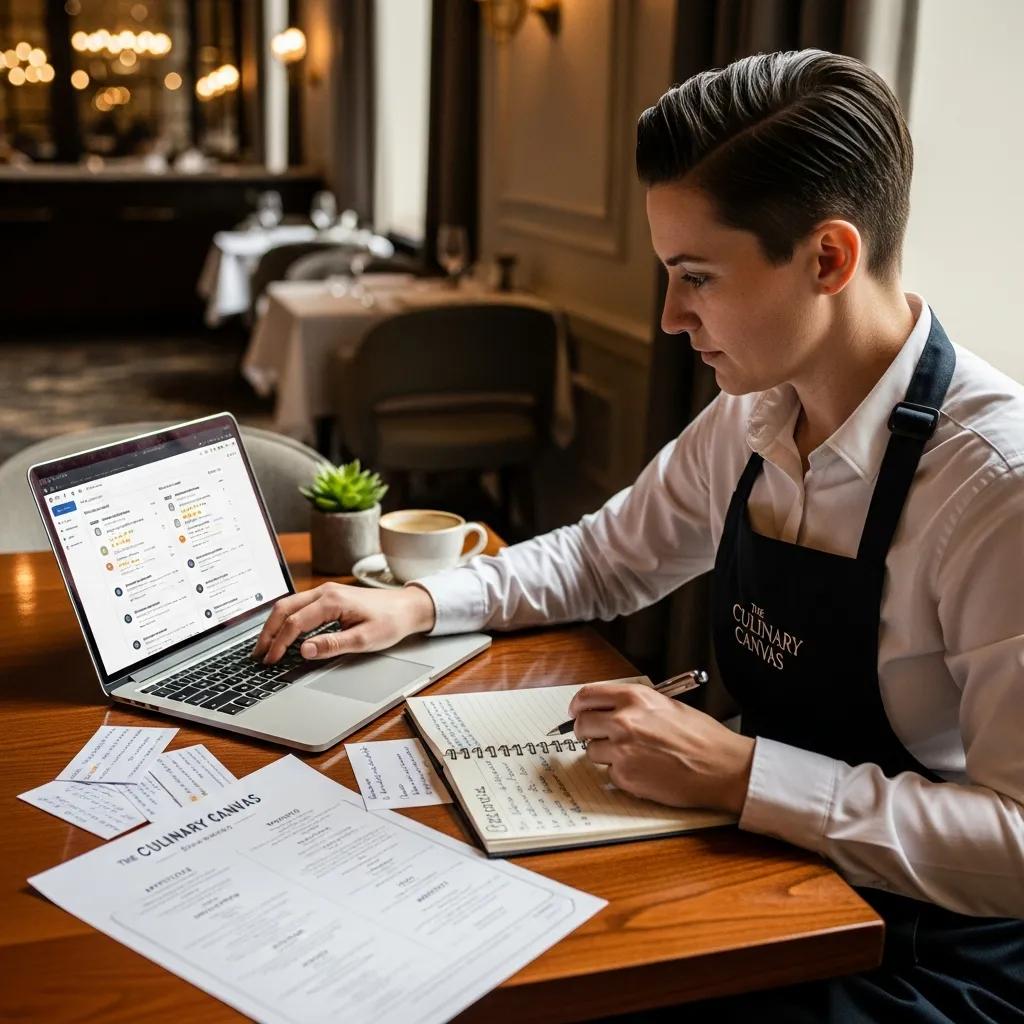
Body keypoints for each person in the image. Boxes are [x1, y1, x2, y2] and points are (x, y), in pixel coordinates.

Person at [253, 49, 1024, 1021]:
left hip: (934, 954)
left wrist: (742, 774)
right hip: (776, 874)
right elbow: (602, 558)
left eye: (696, 276)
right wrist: (416, 601)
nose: (668, 318)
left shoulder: (995, 487)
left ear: (829, 258)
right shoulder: (754, 412)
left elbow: (1016, 844)